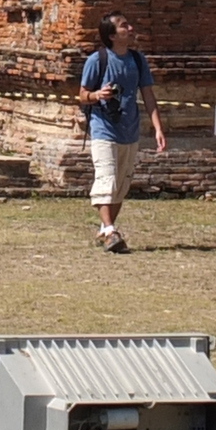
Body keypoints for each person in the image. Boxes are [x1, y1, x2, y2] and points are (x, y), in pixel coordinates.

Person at [77, 13, 167, 254]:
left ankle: (106, 229)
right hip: (103, 127)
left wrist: (158, 127)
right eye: (124, 25)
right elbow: (83, 94)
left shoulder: (138, 60)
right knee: (106, 178)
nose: (130, 27)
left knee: (121, 184)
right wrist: (97, 96)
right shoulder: (98, 60)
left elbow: (148, 94)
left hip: (130, 129)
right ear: (112, 35)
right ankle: (110, 231)